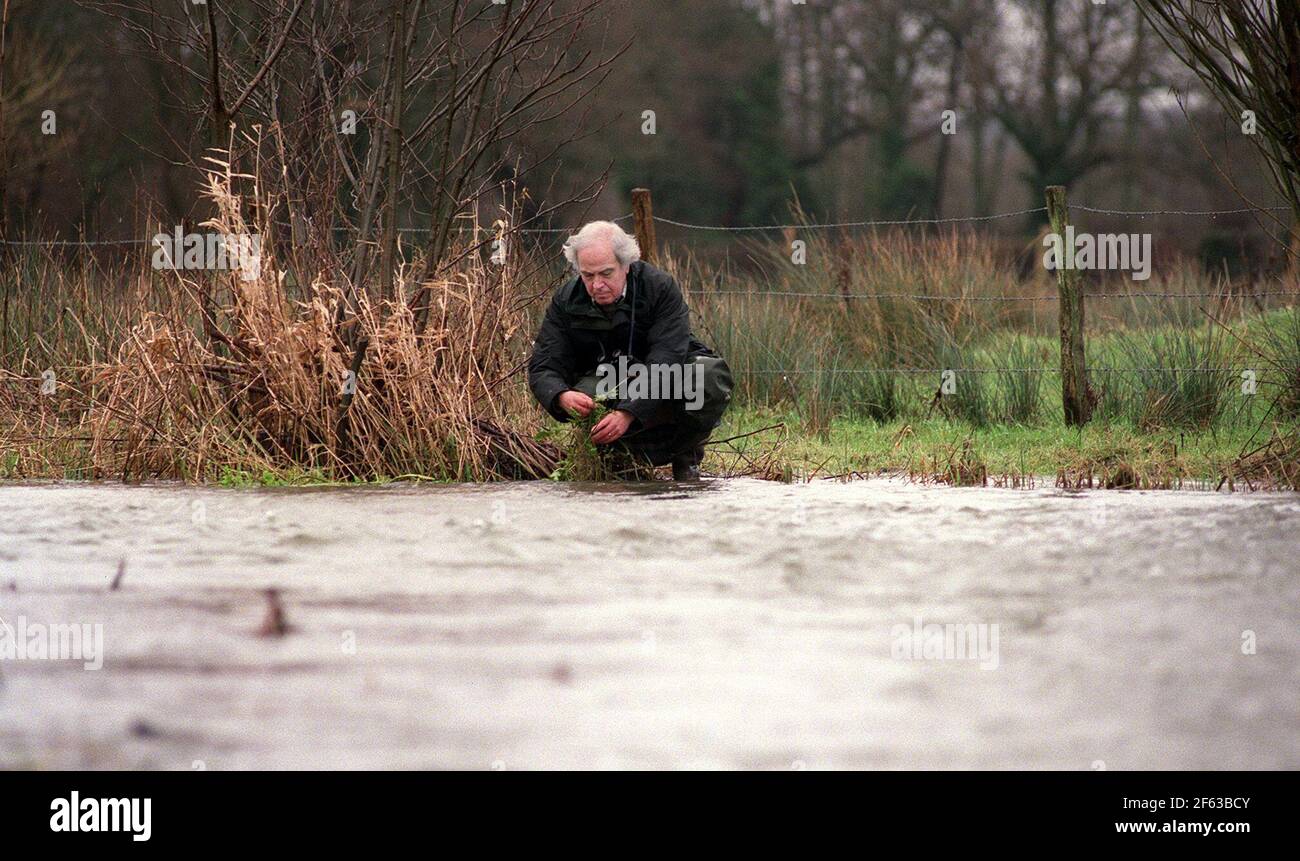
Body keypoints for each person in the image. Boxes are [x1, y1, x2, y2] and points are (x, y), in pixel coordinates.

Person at [528, 220, 732, 480]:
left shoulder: (659, 288)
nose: (597, 285)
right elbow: (544, 363)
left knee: (707, 377)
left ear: (626, 265)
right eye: (588, 276)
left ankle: (686, 456)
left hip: (660, 374)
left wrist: (627, 412)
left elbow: (667, 359)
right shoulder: (565, 300)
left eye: (606, 274)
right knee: (586, 394)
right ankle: (613, 459)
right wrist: (560, 396)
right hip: (607, 378)